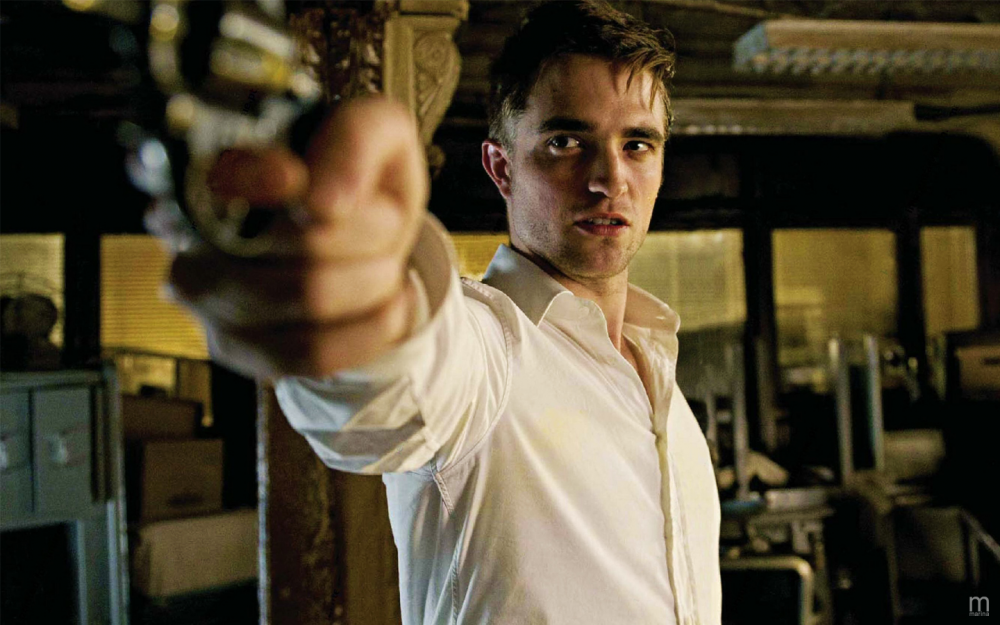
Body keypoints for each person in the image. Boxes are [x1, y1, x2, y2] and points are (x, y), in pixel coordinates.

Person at [155, 1, 721, 623]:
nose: (609, 178)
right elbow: (405, 378)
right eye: (565, 142)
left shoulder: (659, 374)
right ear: (502, 168)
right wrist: (367, 299)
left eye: (637, 144)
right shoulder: (487, 352)